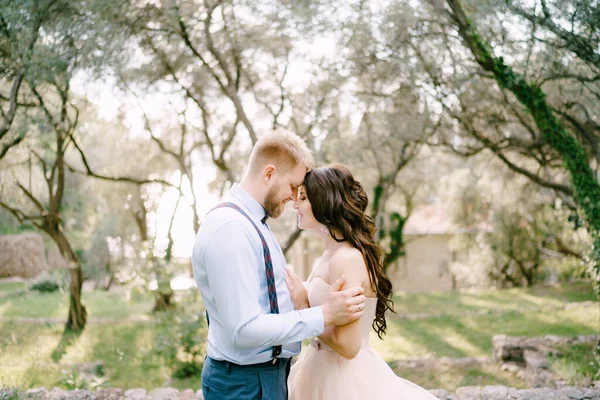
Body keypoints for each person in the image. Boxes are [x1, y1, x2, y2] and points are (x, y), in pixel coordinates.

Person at [192, 131, 367, 400]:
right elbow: (243, 329)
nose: (294, 197)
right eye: (293, 186)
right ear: (269, 174)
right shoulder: (232, 229)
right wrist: (323, 315)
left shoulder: (252, 224)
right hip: (246, 383)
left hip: (265, 377)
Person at [286, 164, 439, 400]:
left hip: (343, 381)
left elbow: (348, 346)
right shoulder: (328, 255)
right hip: (319, 369)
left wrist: (304, 309)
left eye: (303, 197)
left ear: (323, 200)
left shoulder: (346, 259)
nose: (295, 204)